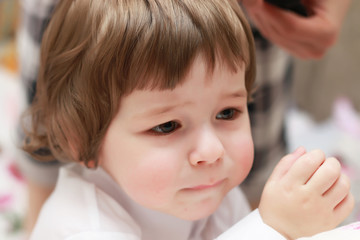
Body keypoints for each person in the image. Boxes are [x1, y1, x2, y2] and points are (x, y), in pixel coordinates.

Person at [21, 0, 354, 239]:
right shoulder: (80, 228)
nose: (212, 150)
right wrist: (271, 229)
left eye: (228, 112)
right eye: (167, 126)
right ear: (79, 138)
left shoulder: (210, 192)